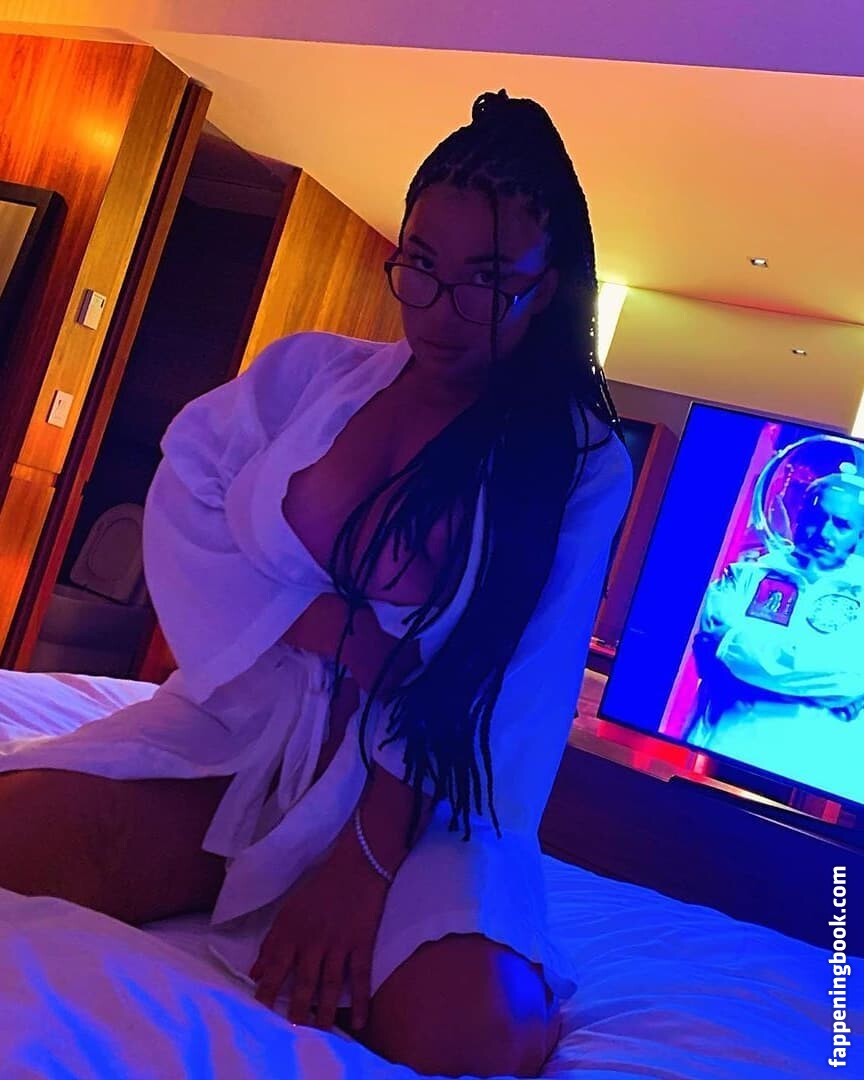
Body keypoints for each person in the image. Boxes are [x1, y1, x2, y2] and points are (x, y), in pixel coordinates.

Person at [0, 90, 631, 1077]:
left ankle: (325, 883)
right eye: (420, 264)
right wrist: (321, 620)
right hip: (247, 734)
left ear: (546, 287)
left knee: (478, 1038)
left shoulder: (577, 459)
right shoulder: (310, 374)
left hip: (418, 798)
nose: (439, 309)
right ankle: (233, 865)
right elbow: (190, 487)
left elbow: (516, 679)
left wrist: (363, 863)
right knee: (14, 835)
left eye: (485, 280)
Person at [687, 466, 864, 802]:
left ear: (859, 535)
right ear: (800, 515)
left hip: (819, 770)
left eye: (841, 525)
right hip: (724, 746)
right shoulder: (743, 576)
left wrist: (737, 650)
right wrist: (817, 680)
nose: (824, 532)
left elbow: (853, 677)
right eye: (817, 517)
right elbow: (711, 646)